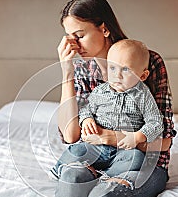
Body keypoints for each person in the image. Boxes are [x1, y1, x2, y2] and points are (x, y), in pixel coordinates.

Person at [42, 0, 176, 197]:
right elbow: (71, 135)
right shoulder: (82, 67)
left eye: (79, 35)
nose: (73, 44)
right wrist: (66, 74)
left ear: (103, 29)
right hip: (95, 160)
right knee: (71, 179)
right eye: (69, 37)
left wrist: (114, 138)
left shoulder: (147, 61)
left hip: (143, 165)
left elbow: (164, 141)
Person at [50, 39, 163, 182]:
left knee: (137, 159)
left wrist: (137, 137)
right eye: (113, 68)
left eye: (126, 69)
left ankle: (103, 176)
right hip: (97, 145)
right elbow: (86, 109)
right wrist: (87, 120)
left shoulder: (143, 96)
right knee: (77, 150)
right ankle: (59, 169)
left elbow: (156, 123)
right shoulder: (101, 91)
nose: (118, 75)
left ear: (143, 76)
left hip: (125, 150)